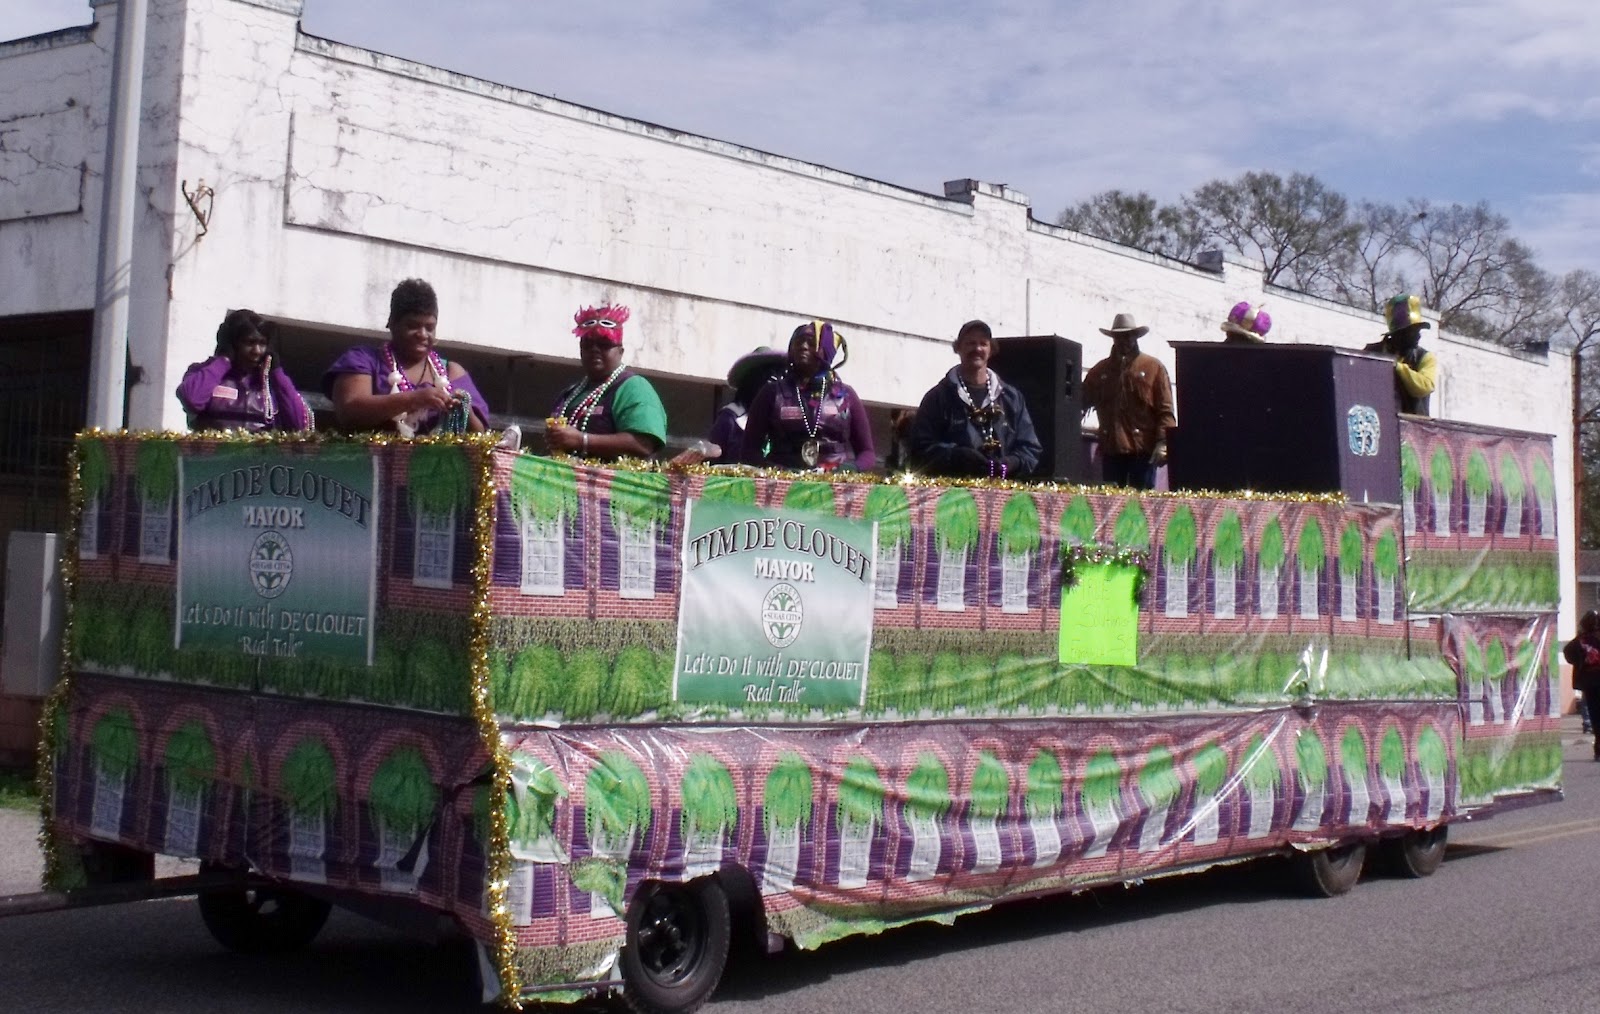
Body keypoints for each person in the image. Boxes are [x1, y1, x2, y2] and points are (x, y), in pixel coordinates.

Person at [323, 278, 489, 435]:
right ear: (392, 323)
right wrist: (414, 399)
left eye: (430, 327)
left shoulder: (451, 372)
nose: (423, 334)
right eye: (413, 326)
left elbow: (479, 434)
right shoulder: (363, 360)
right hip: (370, 464)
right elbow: (350, 412)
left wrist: (462, 409)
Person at [907, 319, 1042, 479]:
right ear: (958, 348)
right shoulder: (938, 398)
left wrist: (1012, 463)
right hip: (953, 497)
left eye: (983, 343)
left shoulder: (1012, 398)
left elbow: (1030, 449)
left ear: (991, 349)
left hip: (1004, 496)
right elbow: (920, 450)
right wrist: (956, 456)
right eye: (970, 343)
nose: (977, 349)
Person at [741, 320, 876, 471]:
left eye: (811, 343)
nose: (803, 347)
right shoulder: (771, 393)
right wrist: (779, 471)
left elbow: (867, 453)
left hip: (836, 487)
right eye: (798, 342)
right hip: (782, 486)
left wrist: (849, 469)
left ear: (825, 350)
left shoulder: (847, 396)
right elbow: (749, 451)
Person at [545, 304, 668, 459]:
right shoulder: (570, 393)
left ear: (620, 351)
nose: (595, 349)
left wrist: (582, 440)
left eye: (604, 344)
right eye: (588, 344)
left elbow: (643, 444)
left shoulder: (633, 387)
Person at [176, 309, 312, 431]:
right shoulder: (203, 373)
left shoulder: (271, 383)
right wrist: (224, 360)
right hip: (213, 456)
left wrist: (276, 372)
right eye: (250, 343)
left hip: (259, 458)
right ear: (232, 344)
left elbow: (299, 425)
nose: (257, 351)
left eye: (262, 344)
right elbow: (191, 400)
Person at [1082, 312, 1175, 490]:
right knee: (1111, 505)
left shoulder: (1153, 368)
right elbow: (1079, 401)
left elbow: (1165, 410)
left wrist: (1163, 442)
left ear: (1135, 337)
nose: (1124, 340)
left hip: (1143, 452)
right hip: (1111, 451)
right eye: (1119, 336)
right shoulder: (1100, 371)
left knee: (1140, 508)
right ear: (1113, 339)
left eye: (1128, 335)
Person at [1363, 293, 1439, 416]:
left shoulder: (1425, 357)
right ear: (1398, 334)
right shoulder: (1372, 352)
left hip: (1413, 429)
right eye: (1412, 331)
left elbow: (1425, 387)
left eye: (1418, 330)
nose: (1418, 336)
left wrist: (1398, 367)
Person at [1565, 610, 1600, 760]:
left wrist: (1580, 662)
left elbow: (1568, 653)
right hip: (1593, 680)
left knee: (1595, 716)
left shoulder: (1581, 640)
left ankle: (1599, 749)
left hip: (1589, 682)